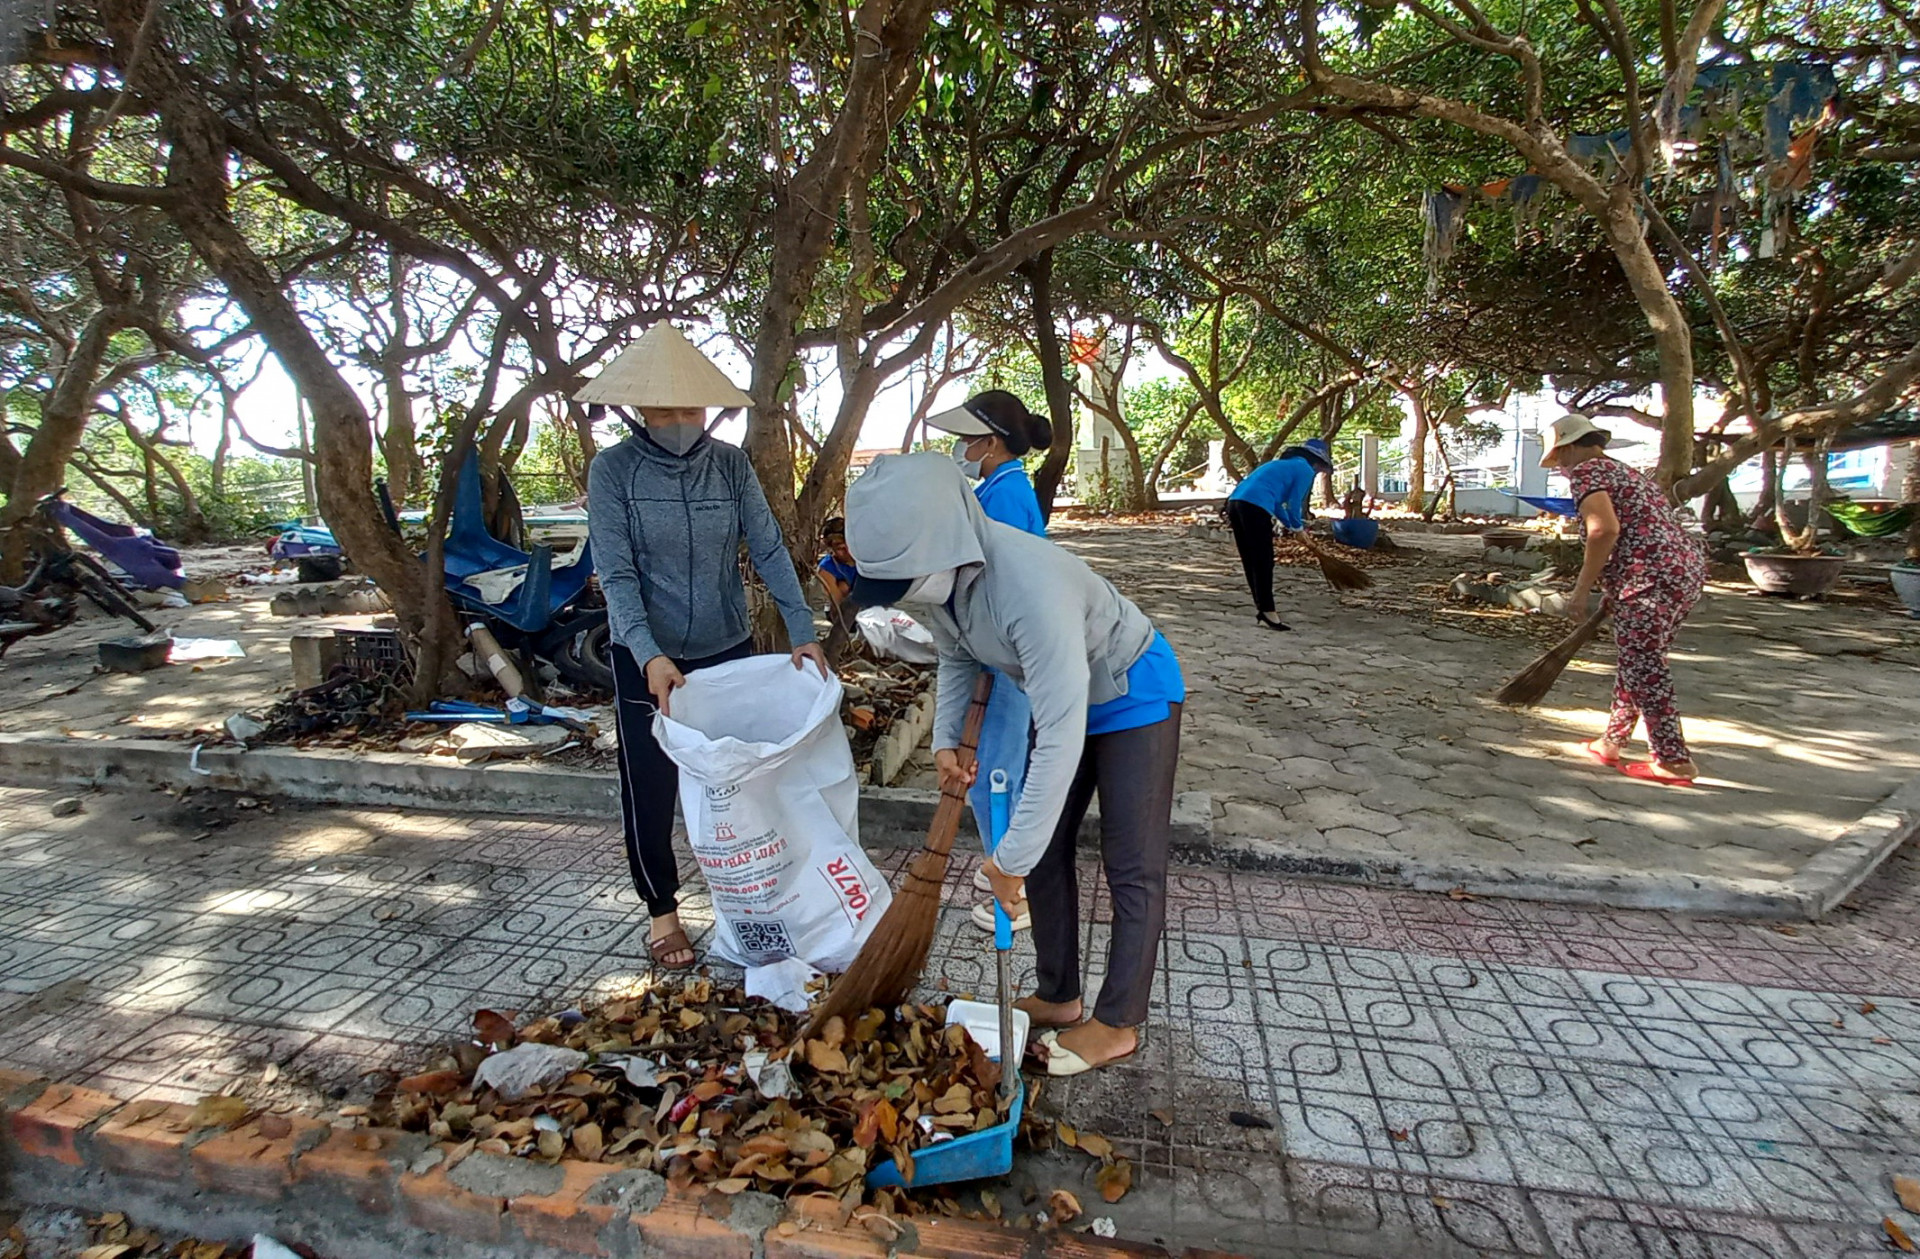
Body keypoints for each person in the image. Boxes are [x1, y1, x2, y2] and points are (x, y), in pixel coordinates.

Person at [845, 452, 1183, 1076]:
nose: (905, 599)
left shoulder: (1029, 586)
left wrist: (1008, 861)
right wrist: (946, 739)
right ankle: (1060, 994)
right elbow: (955, 657)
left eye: (905, 583)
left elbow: (1059, 735)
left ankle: (1116, 1024)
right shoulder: (943, 585)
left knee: (1131, 862)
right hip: (1064, 697)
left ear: (946, 545)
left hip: (1133, 693)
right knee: (1049, 849)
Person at [579, 323, 829, 970]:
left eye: (693, 407)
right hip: (650, 662)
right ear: (640, 411)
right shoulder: (612, 472)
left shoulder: (730, 464)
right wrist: (648, 652)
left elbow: (769, 546)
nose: (683, 420)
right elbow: (618, 573)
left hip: (727, 651)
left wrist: (802, 626)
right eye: (668, 410)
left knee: (738, 785)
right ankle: (662, 911)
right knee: (652, 787)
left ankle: (747, 902)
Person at [922, 390, 1051, 932]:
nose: (959, 448)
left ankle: (1015, 892)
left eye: (966, 438)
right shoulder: (1001, 489)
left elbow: (997, 584)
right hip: (1002, 652)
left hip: (1007, 654)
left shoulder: (1003, 499)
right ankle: (1007, 862)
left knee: (996, 771)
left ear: (990, 443)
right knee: (1000, 765)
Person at [1541, 414, 1708, 785]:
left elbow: (1604, 530)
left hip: (1649, 580)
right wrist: (1614, 588)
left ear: (1568, 447)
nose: (1563, 468)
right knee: (1638, 659)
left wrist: (1582, 590)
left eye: (1560, 459)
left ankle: (1673, 759)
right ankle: (1612, 740)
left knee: (1645, 665)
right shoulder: (1627, 472)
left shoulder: (1588, 473)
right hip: (1680, 574)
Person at [1225, 438, 1334, 632]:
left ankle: (1263, 609)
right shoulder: (1305, 470)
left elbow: (1277, 504)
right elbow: (1293, 503)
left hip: (1235, 503)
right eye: (1320, 468)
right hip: (1254, 507)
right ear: (1316, 462)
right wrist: (1299, 528)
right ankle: (1268, 611)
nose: (1318, 472)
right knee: (1263, 560)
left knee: (1251, 559)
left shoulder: (1281, 465)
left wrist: (1293, 527)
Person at [817, 517, 857, 607]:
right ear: (832, 548)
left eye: (850, 545)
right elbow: (837, 605)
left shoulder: (865, 560)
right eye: (840, 548)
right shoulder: (827, 568)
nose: (847, 551)